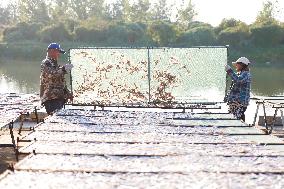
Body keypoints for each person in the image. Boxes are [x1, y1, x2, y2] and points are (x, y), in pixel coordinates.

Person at [40, 43, 74, 115]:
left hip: (58, 98)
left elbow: (60, 83)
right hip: (51, 99)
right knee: (55, 119)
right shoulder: (46, 62)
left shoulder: (55, 65)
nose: (59, 54)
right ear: (51, 51)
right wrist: (64, 69)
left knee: (60, 118)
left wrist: (68, 93)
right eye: (58, 52)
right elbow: (51, 75)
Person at [224, 57, 252, 122]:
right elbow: (233, 88)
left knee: (238, 118)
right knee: (235, 118)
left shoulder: (246, 74)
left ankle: (243, 130)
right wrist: (227, 97)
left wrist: (229, 71)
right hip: (236, 101)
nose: (236, 66)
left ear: (242, 65)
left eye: (237, 64)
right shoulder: (240, 74)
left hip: (240, 102)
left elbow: (238, 80)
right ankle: (241, 130)